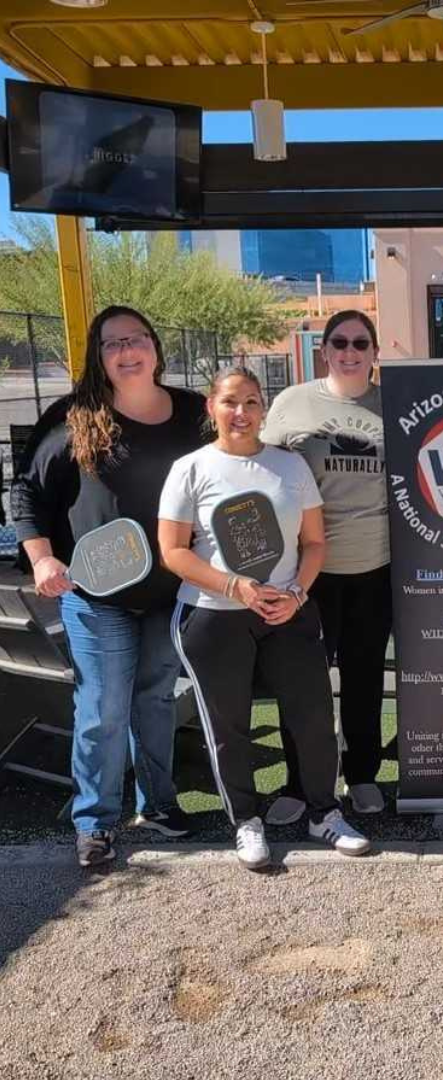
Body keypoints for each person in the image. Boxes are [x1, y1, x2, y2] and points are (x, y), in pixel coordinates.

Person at [10, 305, 208, 866]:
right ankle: (95, 819)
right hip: (96, 596)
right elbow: (27, 494)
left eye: (137, 338)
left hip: (171, 591)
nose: (127, 350)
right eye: (113, 342)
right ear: (98, 356)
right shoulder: (73, 418)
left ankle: (159, 804)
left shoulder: (194, 413)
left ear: (154, 347)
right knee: (102, 708)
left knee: (155, 699)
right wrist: (43, 558)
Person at [158, 367, 369, 870]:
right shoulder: (190, 468)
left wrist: (296, 592)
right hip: (214, 615)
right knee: (230, 726)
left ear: (263, 410)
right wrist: (234, 586)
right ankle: (246, 822)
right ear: (212, 408)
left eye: (252, 402)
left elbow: (314, 543)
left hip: (288, 611)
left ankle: (324, 813)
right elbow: (172, 551)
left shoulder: (289, 467)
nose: (242, 412)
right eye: (231, 402)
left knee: (314, 717)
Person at [261, 308, 390, 823]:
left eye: (361, 342)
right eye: (340, 342)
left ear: (375, 352)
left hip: (375, 566)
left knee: (363, 679)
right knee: (302, 682)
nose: (350, 351)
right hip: (305, 572)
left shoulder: (395, 403)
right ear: (324, 350)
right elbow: (259, 474)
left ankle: (361, 775)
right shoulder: (292, 404)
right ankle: (300, 781)